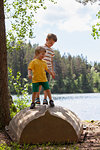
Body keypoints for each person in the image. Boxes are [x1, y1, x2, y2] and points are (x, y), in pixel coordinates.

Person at [35, 33, 57, 105]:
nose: (51, 45)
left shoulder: (51, 51)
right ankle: (37, 99)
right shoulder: (40, 48)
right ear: (46, 40)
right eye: (50, 43)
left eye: (52, 44)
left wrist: (52, 70)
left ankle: (45, 99)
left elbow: (51, 61)